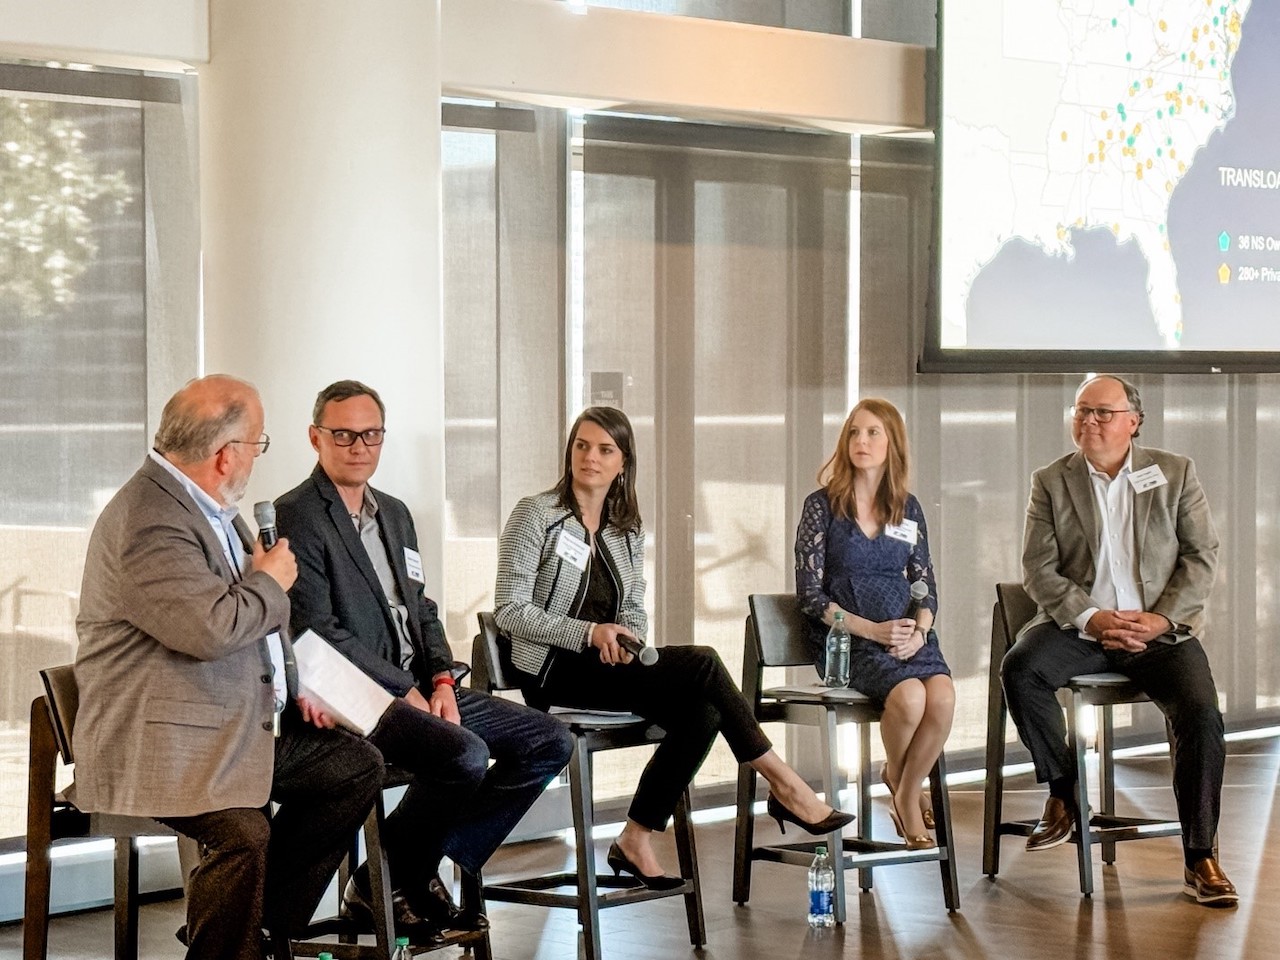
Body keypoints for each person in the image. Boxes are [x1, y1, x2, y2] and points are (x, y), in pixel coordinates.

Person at [72, 375, 384, 960]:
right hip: (160, 736)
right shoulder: (149, 518)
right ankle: (229, 944)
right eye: (258, 444)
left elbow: (258, 626)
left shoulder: (207, 506)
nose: (257, 460)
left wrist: (294, 686)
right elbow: (213, 628)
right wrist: (271, 579)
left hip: (226, 719)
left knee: (353, 765)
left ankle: (254, 929)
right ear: (225, 455)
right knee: (244, 833)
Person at [494, 405, 853, 886]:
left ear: (623, 462)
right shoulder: (536, 515)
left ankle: (635, 836)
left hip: (609, 668)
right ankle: (785, 784)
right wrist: (587, 633)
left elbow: (635, 606)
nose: (591, 458)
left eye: (605, 450)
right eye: (582, 446)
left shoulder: (626, 528)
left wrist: (626, 635)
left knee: (703, 712)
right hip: (554, 671)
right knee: (703, 661)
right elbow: (510, 610)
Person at [275, 380, 573, 943]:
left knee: (549, 741)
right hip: (357, 700)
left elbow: (422, 606)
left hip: (420, 687)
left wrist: (439, 677)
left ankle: (399, 872)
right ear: (316, 438)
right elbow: (319, 631)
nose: (358, 445)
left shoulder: (396, 514)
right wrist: (399, 690)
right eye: (343, 434)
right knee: (465, 754)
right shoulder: (299, 515)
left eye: (370, 434)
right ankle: (403, 877)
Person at [1003, 374, 1234, 905]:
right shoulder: (1052, 480)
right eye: (1082, 410)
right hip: (1081, 627)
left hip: (1159, 631)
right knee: (1021, 669)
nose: (1089, 421)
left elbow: (1201, 558)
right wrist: (1092, 618)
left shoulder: (1174, 473)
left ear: (1134, 420)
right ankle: (1064, 793)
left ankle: (1201, 856)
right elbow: (1039, 570)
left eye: (1103, 412)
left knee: (1200, 713)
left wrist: (1160, 620)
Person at [795, 398, 955, 850]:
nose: (861, 442)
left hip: (907, 632)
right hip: (849, 639)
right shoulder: (821, 506)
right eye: (854, 433)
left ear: (892, 445)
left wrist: (919, 629)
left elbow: (925, 586)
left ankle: (902, 786)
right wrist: (872, 631)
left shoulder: (908, 508)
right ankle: (908, 798)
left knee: (941, 696)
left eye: (873, 433)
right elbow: (810, 596)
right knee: (908, 698)